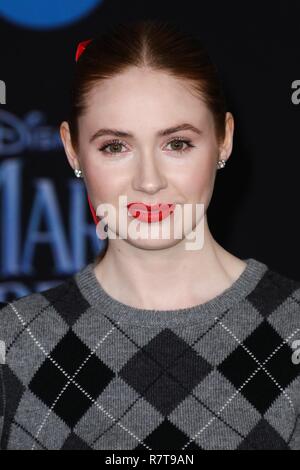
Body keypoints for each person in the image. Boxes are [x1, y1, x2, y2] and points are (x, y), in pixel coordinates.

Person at [1, 18, 300, 451]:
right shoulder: (15, 343)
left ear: (224, 139)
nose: (148, 180)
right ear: (72, 149)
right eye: (115, 146)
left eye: (177, 143)